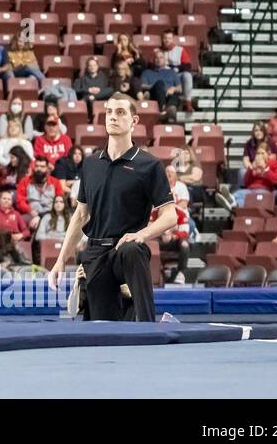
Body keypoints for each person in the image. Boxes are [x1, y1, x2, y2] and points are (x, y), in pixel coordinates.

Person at [47, 93, 179, 322]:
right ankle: (120, 305)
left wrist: (141, 235)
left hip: (125, 250)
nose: (113, 117)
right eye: (109, 112)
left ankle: (148, 325)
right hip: (95, 253)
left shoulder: (149, 165)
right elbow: (80, 216)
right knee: (101, 329)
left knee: (132, 249)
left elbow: (170, 216)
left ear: (134, 121)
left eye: (120, 112)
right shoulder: (90, 164)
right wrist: (60, 260)